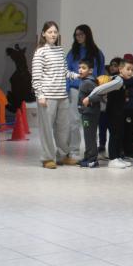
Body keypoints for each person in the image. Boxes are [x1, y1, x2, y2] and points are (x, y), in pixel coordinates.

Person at [31, 21, 75, 169]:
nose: (53, 35)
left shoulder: (60, 51)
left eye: (55, 32)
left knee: (64, 128)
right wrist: (40, 95)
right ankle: (47, 158)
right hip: (47, 96)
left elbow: (65, 72)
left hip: (62, 95)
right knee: (46, 129)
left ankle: (63, 155)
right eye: (50, 32)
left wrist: (77, 76)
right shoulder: (40, 52)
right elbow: (36, 77)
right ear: (44, 34)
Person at [65, 24, 105, 159]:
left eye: (81, 34)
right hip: (75, 90)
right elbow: (66, 72)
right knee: (74, 121)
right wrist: (67, 89)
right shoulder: (72, 53)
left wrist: (100, 90)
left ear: (87, 35)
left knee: (92, 122)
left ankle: (92, 151)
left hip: (92, 91)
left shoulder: (97, 53)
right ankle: (74, 151)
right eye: (76, 35)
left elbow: (101, 73)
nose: (79, 37)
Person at [106, 59, 133, 166]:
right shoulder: (117, 80)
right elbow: (103, 89)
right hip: (113, 113)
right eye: (128, 69)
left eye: (132, 70)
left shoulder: (122, 81)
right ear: (120, 69)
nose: (130, 72)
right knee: (114, 134)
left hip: (119, 113)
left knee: (119, 134)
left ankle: (117, 157)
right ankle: (112, 159)